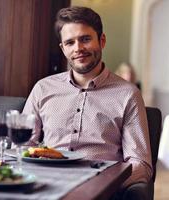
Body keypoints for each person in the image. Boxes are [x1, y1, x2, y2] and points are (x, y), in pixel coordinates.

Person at [23, 6, 152, 187]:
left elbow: (140, 165)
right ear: (63, 48)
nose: (78, 48)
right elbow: (23, 145)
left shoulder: (128, 94)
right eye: (70, 43)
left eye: (85, 39)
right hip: (45, 184)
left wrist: (103, 186)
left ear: (102, 40)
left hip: (98, 188)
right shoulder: (42, 88)